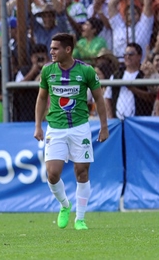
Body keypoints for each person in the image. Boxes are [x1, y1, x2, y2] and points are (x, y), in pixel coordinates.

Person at [34, 33, 109, 231]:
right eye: (51, 48)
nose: (51, 52)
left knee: (82, 171)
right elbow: (42, 98)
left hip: (80, 128)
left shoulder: (86, 71)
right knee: (52, 173)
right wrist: (37, 126)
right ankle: (65, 205)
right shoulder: (47, 71)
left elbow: (99, 99)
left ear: (68, 50)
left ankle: (80, 219)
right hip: (55, 128)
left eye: (55, 48)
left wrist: (104, 126)